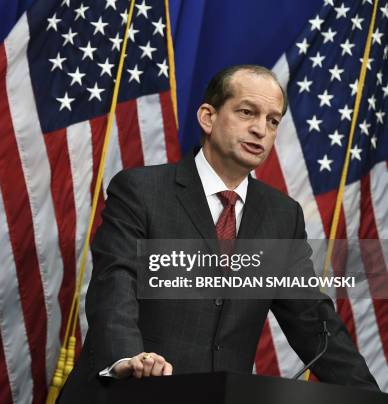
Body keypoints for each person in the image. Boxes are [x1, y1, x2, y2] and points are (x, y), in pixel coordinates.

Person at [58, 65, 379, 403]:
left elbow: (312, 320)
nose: (260, 129)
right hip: (128, 393)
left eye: (272, 121)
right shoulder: (141, 190)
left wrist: (371, 397)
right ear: (208, 117)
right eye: (247, 112)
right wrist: (127, 359)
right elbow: (115, 283)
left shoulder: (282, 216)